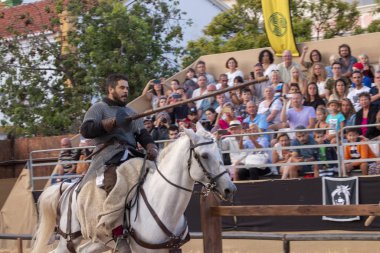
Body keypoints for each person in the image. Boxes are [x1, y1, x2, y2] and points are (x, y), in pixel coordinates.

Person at [80, 74, 157, 248]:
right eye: (122, 88)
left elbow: (141, 134)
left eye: (127, 88)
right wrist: (111, 123)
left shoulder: (130, 112)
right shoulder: (98, 108)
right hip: (108, 155)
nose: (126, 91)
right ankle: (116, 230)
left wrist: (151, 146)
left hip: (131, 153)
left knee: (155, 173)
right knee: (114, 179)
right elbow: (86, 130)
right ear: (111, 89)